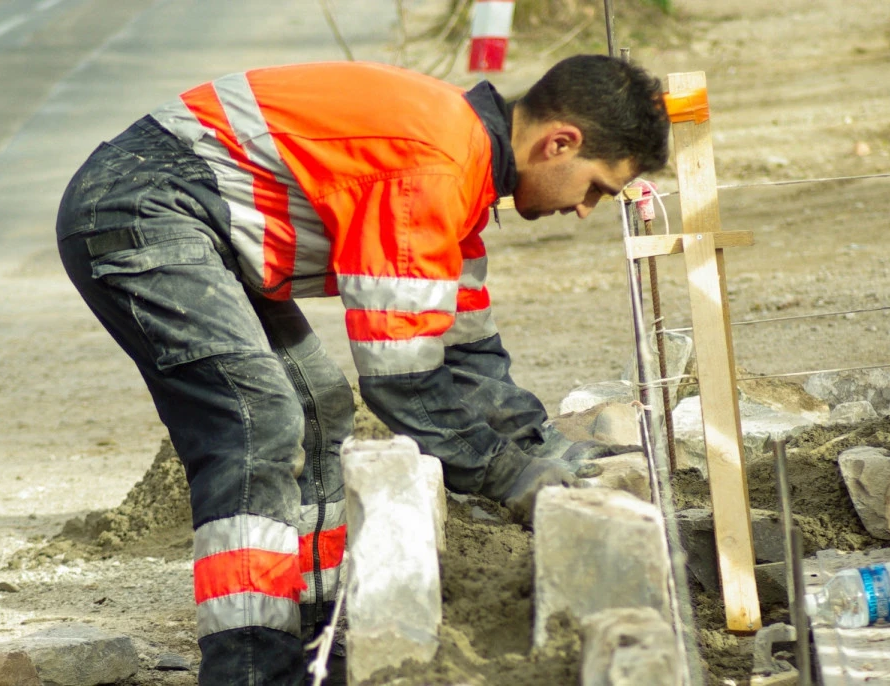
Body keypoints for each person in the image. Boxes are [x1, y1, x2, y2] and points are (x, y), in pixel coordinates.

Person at [55, 53, 671, 686]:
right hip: (139, 205)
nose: (586, 208)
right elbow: (404, 384)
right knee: (256, 421)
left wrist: (557, 459)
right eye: (596, 186)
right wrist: (514, 479)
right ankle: (250, 668)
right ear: (559, 142)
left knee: (320, 406)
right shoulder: (433, 167)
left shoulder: (460, 170)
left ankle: (321, 638)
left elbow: (466, 355)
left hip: (191, 216)